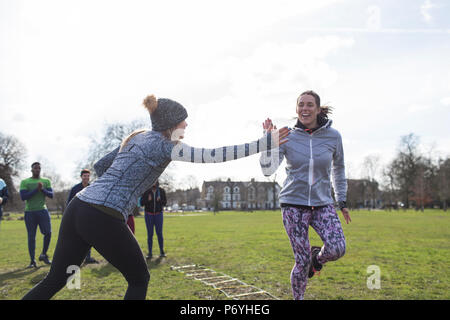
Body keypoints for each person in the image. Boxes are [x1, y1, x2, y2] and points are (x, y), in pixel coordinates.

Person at [22, 94, 288, 300]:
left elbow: (101, 166)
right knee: (139, 279)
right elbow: (213, 155)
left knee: (56, 279)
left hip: (78, 206)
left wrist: (131, 180)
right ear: (170, 125)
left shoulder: (136, 138)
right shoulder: (165, 146)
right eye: (183, 121)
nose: (187, 125)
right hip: (102, 213)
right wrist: (263, 143)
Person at [260, 90, 351, 300]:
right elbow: (267, 170)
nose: (305, 109)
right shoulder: (287, 136)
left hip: (322, 203)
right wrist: (268, 143)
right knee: (301, 262)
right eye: (301, 105)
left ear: (318, 109)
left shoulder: (333, 136)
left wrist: (342, 199)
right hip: (293, 204)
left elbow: (339, 169)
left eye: (310, 105)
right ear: (296, 109)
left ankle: (316, 260)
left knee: (338, 248)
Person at [20, 162, 54, 268]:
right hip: (30, 212)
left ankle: (43, 254)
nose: (37, 170)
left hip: (42, 211)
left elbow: (51, 195)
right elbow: (23, 197)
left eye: (39, 168)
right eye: (35, 168)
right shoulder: (25, 182)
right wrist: (36, 189)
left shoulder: (46, 181)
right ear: (31, 170)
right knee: (31, 237)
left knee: (48, 233)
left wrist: (42, 189)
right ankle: (32, 261)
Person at [67, 169, 99, 264]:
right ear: (81, 177)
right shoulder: (75, 188)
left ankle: (88, 258)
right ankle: (75, 257)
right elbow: (69, 203)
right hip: (77, 216)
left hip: (89, 216)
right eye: (84, 176)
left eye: (88, 176)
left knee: (89, 237)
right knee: (77, 237)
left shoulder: (93, 187)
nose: (86, 177)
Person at [141, 181, 167, 259]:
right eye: (153, 181)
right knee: (150, 234)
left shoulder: (161, 191)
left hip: (159, 215)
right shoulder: (146, 191)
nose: (154, 183)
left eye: (155, 181)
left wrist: (160, 200)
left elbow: (165, 203)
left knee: (159, 233)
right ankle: (150, 253)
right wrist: (148, 200)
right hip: (149, 215)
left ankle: (162, 251)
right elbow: (141, 203)